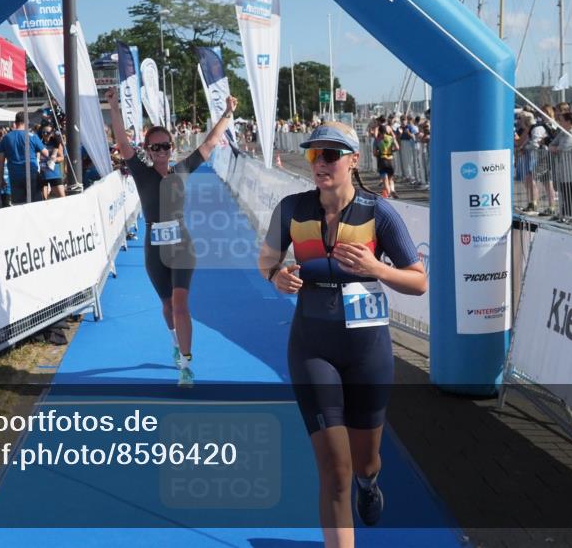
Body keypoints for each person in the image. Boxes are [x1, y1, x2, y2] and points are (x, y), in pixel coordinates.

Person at [258, 122, 426, 544]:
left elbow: (418, 281)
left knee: (365, 462)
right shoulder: (292, 209)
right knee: (335, 472)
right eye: (314, 155)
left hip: (367, 350)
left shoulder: (378, 212)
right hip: (312, 347)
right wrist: (277, 275)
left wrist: (377, 270)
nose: (320, 163)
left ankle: (370, 484)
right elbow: (266, 261)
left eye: (330, 155)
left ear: (354, 159)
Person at [105, 86, 238, 388]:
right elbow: (122, 142)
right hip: (154, 249)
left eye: (166, 146)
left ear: (172, 147)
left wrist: (228, 113)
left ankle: (187, 365)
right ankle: (175, 343)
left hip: (182, 246)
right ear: (148, 151)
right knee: (167, 307)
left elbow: (211, 142)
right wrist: (113, 107)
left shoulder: (183, 170)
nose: (162, 151)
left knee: (180, 304)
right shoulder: (140, 172)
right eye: (156, 147)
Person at [0, 111, 50, 204]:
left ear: (16, 122)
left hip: (15, 175)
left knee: (19, 205)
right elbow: (46, 153)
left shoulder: (6, 138)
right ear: (26, 122)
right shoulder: (32, 136)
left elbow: (0, 161)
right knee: (36, 204)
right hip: (31, 174)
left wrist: (1, 179)